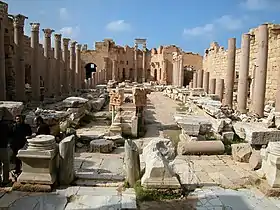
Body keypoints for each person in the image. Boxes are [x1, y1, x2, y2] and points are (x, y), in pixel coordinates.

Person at [0, 108, 11, 185]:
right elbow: (10, 135)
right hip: (3, 146)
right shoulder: (4, 125)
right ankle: (5, 180)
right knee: (5, 163)